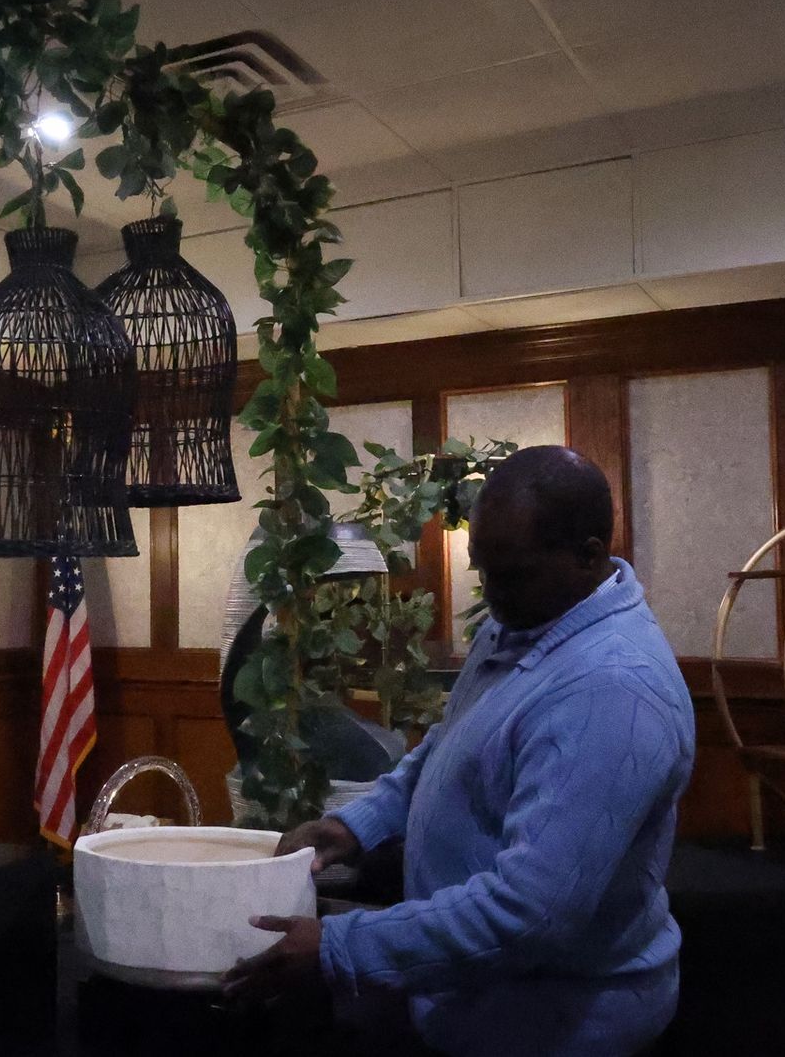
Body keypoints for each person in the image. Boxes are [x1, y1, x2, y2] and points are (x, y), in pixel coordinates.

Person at [223, 445, 696, 1057]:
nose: (492, 597)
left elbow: (529, 916)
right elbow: (450, 745)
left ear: (588, 554)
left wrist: (342, 947)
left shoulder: (611, 689)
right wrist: (357, 823)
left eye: (513, 574)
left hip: (557, 1027)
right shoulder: (530, 619)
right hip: (472, 1005)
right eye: (484, 571)